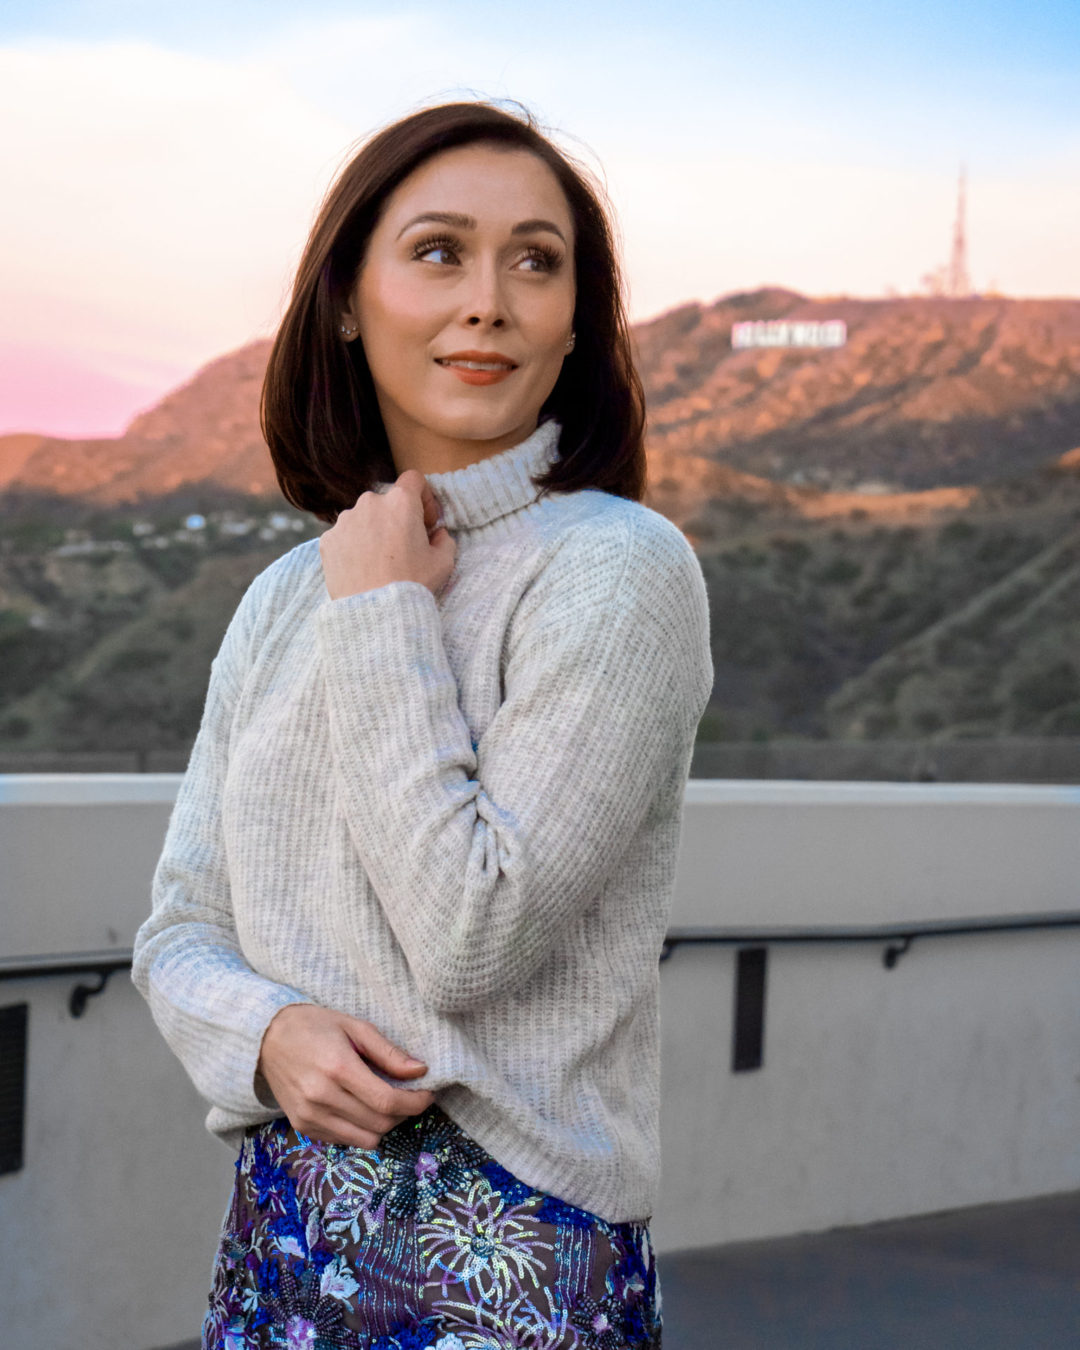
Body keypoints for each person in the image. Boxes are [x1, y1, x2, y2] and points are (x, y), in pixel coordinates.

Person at [131, 97, 713, 1350]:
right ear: (348, 297)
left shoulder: (618, 569)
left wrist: (387, 608)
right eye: (440, 250)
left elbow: (472, 933)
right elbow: (181, 927)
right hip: (285, 1238)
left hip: (517, 1263)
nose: (489, 301)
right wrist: (267, 1032)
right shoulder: (288, 595)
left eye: (537, 261)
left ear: (574, 322)